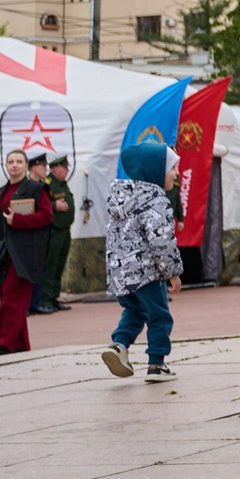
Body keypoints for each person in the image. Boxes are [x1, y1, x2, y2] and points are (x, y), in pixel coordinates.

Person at [98, 144, 182, 382]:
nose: (176, 173)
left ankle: (119, 345)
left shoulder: (120, 199)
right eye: (172, 168)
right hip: (147, 272)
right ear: (154, 171)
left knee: (135, 310)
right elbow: (162, 242)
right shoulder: (155, 201)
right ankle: (157, 364)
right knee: (160, 316)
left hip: (121, 274)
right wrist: (172, 273)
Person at [0, 150, 52, 356]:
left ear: (26, 166)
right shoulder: (0, 192)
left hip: (25, 254)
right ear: (6, 165)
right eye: (10, 162)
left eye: (19, 161)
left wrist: (19, 221)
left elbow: (47, 216)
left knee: (12, 300)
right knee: (9, 297)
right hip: (4, 254)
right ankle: (20, 345)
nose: (14, 165)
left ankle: (4, 344)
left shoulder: (35, 189)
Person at [35, 154, 76, 314]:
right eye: (64, 168)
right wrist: (54, 205)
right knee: (51, 267)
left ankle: (54, 298)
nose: (66, 171)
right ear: (56, 168)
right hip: (54, 231)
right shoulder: (48, 184)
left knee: (59, 266)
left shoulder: (62, 184)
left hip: (65, 231)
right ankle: (45, 300)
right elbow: (39, 203)